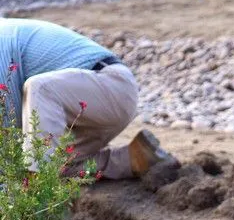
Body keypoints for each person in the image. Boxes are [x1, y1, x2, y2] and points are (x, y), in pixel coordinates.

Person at [0, 18, 175, 179]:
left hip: (110, 85)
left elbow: (9, 118)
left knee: (39, 91)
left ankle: (34, 186)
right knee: (56, 163)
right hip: (90, 104)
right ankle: (134, 158)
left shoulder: (2, 36)